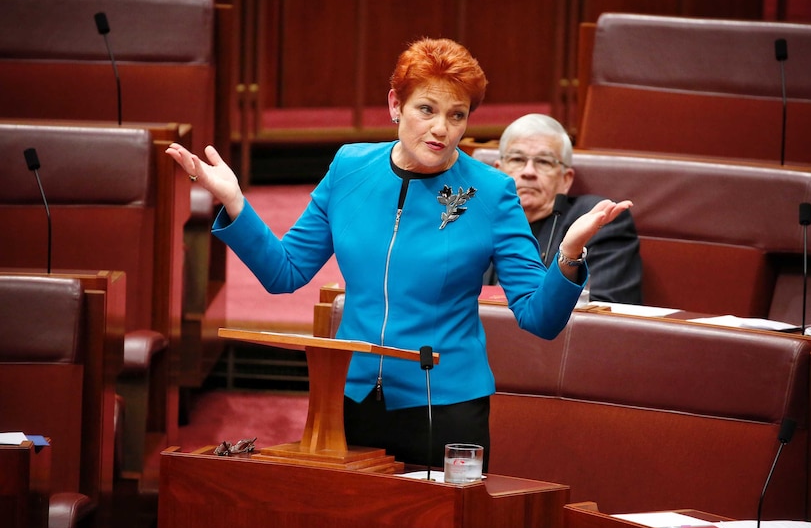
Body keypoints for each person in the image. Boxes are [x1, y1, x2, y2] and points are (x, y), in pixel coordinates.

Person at [166, 38, 632, 470]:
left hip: (446, 409)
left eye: (457, 115)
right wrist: (236, 204)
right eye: (426, 109)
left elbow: (539, 318)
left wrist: (569, 254)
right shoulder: (349, 168)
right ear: (395, 105)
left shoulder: (492, 192)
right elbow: (284, 273)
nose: (441, 129)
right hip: (348, 403)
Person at [486, 113, 643, 304]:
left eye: (544, 162)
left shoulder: (596, 223)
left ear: (565, 179)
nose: (528, 172)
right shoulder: (471, 217)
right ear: (499, 170)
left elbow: (602, 309)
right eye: (517, 159)